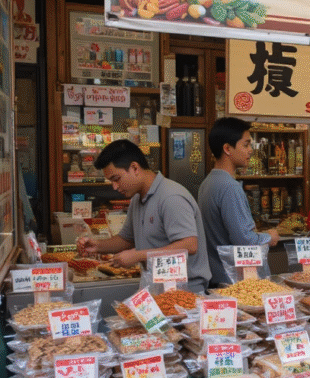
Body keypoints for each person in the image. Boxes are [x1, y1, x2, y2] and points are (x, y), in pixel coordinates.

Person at [77, 139, 210, 292]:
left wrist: (138, 255)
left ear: (134, 168)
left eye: (116, 179)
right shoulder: (137, 199)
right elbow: (126, 240)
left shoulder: (171, 197)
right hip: (156, 287)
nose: (114, 187)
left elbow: (189, 245)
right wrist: (98, 246)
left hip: (184, 291)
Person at [197, 118, 278, 287]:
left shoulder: (208, 182)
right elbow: (245, 241)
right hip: (231, 281)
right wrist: (269, 237)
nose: (250, 150)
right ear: (227, 149)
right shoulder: (229, 187)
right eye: (246, 144)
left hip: (215, 277)